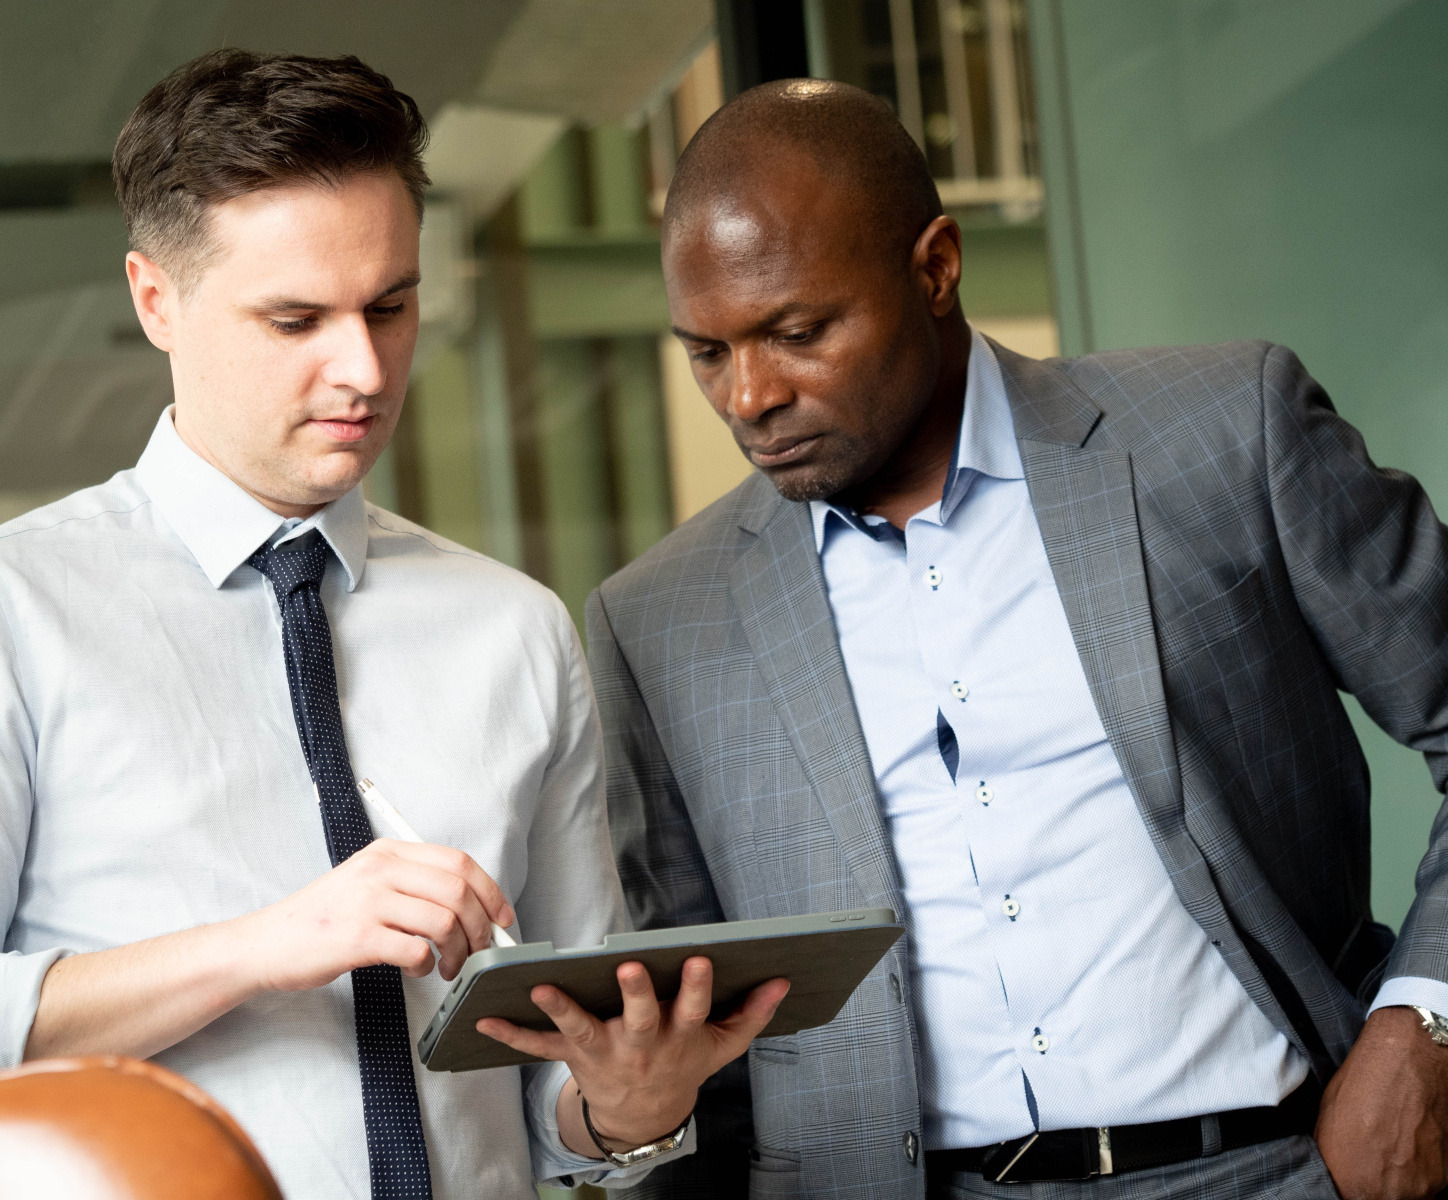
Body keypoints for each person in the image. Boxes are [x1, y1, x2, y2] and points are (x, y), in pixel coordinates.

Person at [0, 50, 789, 1199]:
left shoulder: (514, 631)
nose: (363, 368)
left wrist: (625, 1108)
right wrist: (261, 947)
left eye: (389, 306)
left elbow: (559, 1086)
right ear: (156, 300)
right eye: (294, 319)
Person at [587, 79, 1448, 1200]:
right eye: (705, 352)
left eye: (798, 332)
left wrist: (1421, 1022)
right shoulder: (659, 619)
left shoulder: (1222, 437)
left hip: (1272, 1165)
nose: (749, 395)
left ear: (934, 267)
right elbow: (700, 1040)